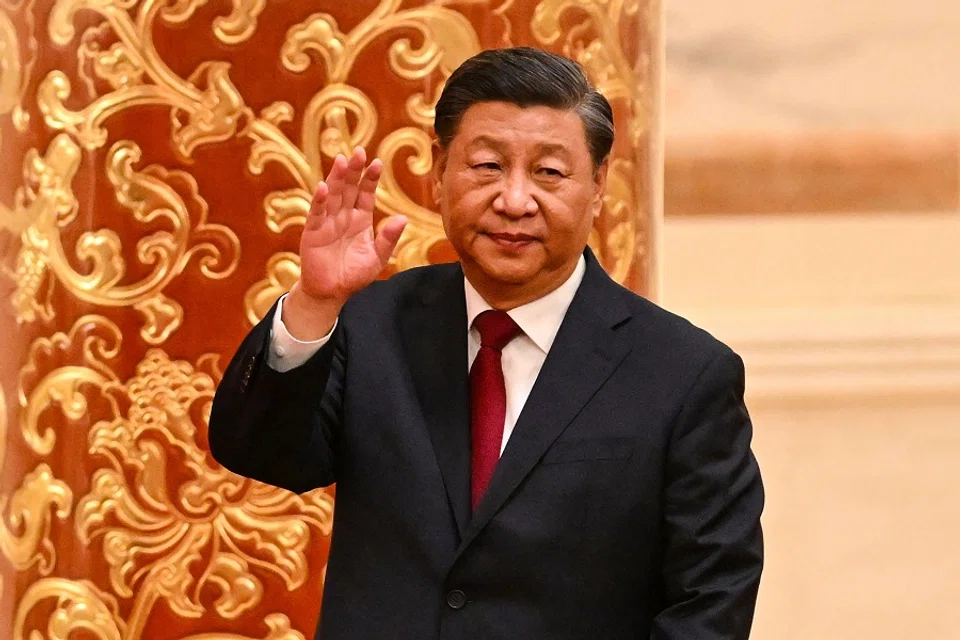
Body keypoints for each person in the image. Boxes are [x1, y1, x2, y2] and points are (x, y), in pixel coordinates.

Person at [209, 47, 763, 640]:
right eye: (487, 166)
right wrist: (317, 303)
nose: (515, 200)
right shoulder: (373, 324)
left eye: (549, 173)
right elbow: (261, 453)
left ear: (598, 185)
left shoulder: (683, 375)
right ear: (439, 170)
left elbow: (710, 603)